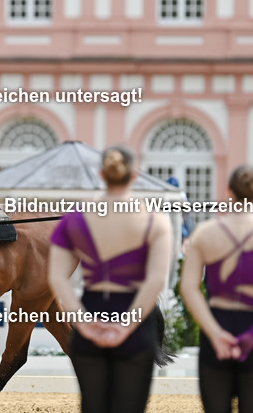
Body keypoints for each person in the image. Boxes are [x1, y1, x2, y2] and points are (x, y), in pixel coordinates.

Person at [49, 146, 171, 413]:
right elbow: (156, 281)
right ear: (134, 175)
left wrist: (84, 323)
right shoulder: (154, 219)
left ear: (101, 174)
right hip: (136, 324)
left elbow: (57, 277)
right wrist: (125, 327)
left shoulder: (76, 218)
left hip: (92, 316)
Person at [180, 164, 253, 413]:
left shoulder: (205, 233)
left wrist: (214, 333)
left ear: (227, 191)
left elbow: (189, 288)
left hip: (216, 329)